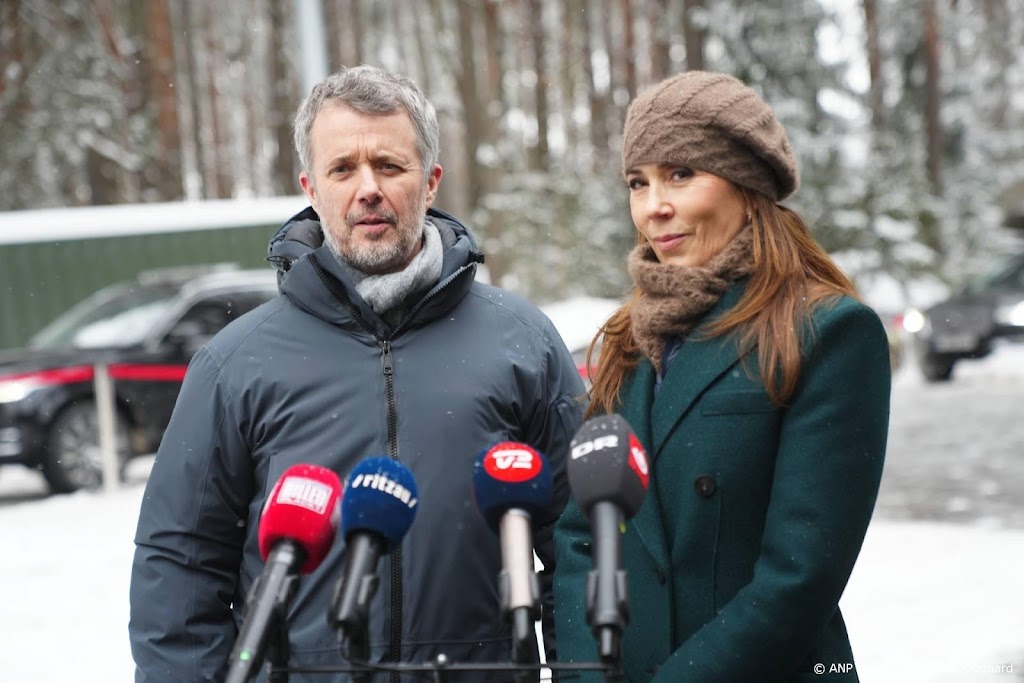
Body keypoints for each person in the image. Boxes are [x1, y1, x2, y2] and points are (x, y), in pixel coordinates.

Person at [129, 65, 585, 682]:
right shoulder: (234, 362)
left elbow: (579, 545)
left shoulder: (523, 341)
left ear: (431, 181)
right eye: (342, 169)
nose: (368, 188)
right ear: (311, 188)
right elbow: (180, 568)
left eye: (389, 166)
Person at [553, 71, 891, 682]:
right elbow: (584, 536)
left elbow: (799, 575)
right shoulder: (630, 337)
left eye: (681, 173)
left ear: (746, 182)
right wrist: (584, 672)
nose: (653, 206)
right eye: (638, 182)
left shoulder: (827, 331)